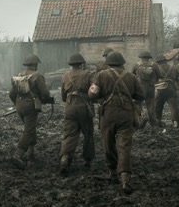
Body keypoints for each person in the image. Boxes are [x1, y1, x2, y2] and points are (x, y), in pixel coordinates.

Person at [89, 50, 145, 191]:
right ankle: (125, 177)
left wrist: (101, 97)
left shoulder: (101, 75)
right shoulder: (131, 77)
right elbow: (141, 95)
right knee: (124, 145)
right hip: (126, 113)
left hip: (108, 113)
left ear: (109, 64)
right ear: (122, 64)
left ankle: (112, 170)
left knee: (108, 141)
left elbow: (92, 94)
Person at [8, 53, 54, 168]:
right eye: (36, 64)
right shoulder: (37, 76)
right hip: (30, 106)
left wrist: (17, 104)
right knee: (28, 131)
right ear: (34, 65)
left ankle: (31, 152)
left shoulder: (19, 76)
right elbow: (44, 93)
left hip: (19, 105)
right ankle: (17, 155)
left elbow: (11, 93)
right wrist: (47, 99)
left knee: (30, 127)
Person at [58, 52, 95, 175]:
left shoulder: (65, 76)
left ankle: (65, 158)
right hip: (84, 107)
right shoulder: (87, 75)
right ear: (81, 64)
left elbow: (63, 97)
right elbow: (93, 91)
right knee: (88, 133)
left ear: (71, 65)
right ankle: (88, 160)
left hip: (69, 107)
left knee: (69, 134)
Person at [132, 50, 162, 127]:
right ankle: (153, 122)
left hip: (139, 88)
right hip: (150, 88)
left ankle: (142, 115)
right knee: (151, 105)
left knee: (136, 104)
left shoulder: (136, 65)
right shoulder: (154, 65)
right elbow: (160, 75)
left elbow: (132, 75)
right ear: (149, 58)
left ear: (140, 58)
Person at [154, 54, 179, 128]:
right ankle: (176, 123)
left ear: (158, 62)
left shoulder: (156, 67)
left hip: (161, 88)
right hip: (171, 88)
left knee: (158, 105)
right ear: (165, 61)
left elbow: (153, 79)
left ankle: (158, 121)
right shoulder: (173, 67)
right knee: (173, 106)